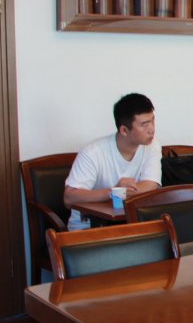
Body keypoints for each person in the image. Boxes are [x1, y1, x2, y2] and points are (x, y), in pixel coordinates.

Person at [64, 93, 161, 230]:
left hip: (128, 223)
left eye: (152, 120)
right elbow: (69, 198)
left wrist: (121, 193)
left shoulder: (152, 145)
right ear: (124, 130)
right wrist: (113, 192)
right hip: (88, 228)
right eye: (144, 125)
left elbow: (150, 185)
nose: (152, 129)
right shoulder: (93, 152)